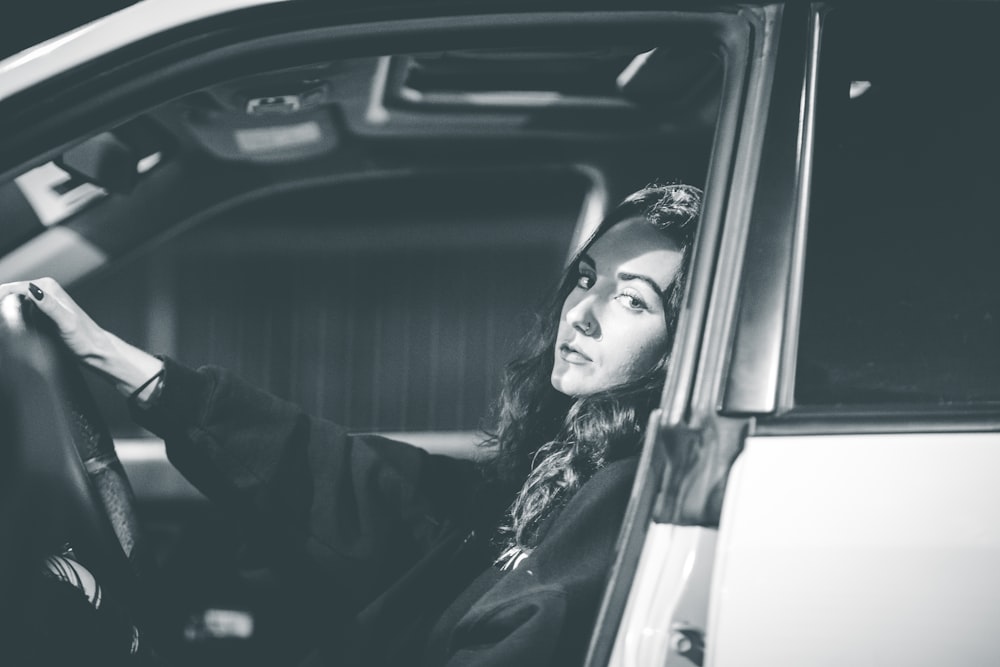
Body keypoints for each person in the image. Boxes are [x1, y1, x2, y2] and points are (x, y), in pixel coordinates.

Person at [0, 182, 702, 666]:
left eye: (632, 300)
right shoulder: (551, 464)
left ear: (684, 345)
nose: (583, 311)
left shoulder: (619, 491)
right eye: (585, 278)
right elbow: (377, 490)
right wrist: (122, 362)